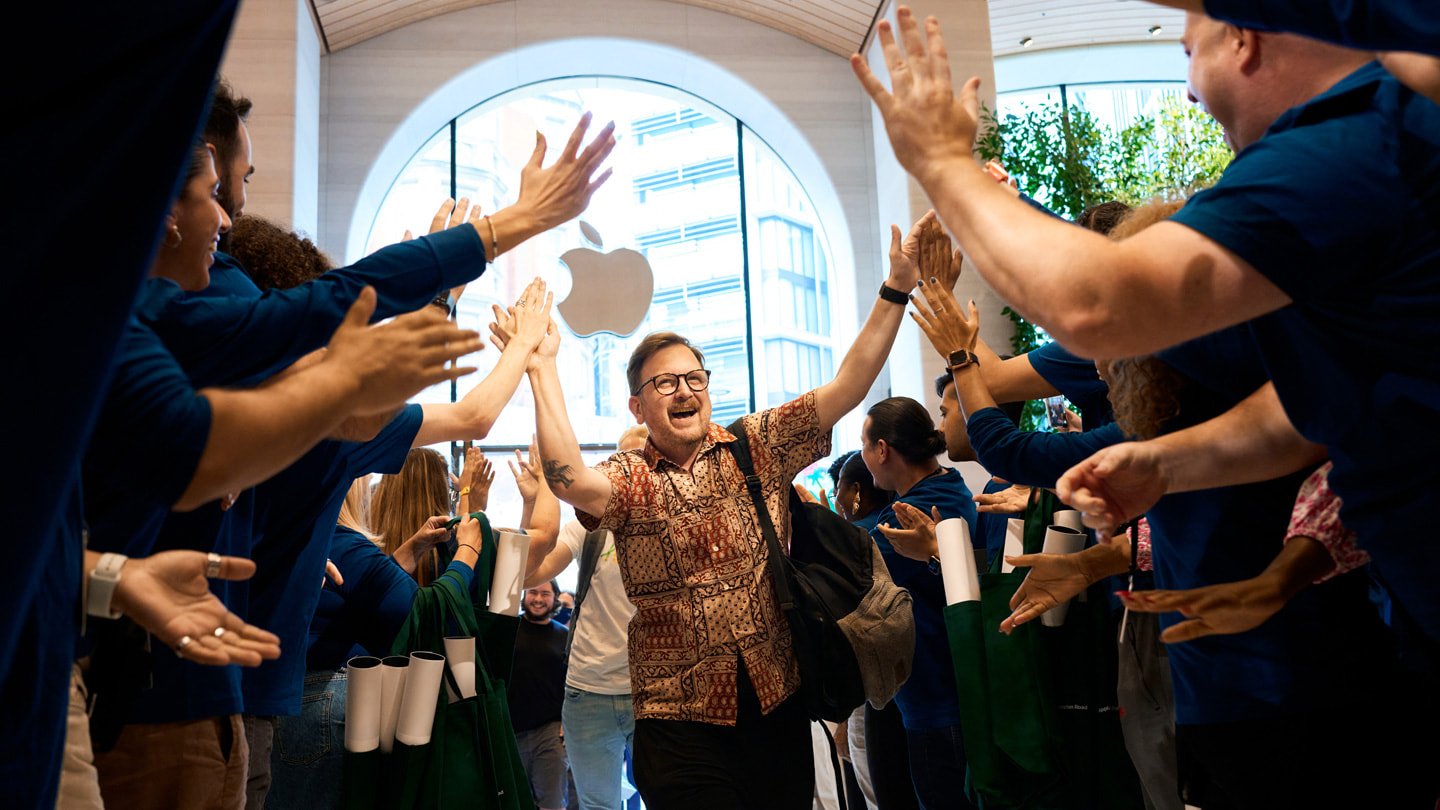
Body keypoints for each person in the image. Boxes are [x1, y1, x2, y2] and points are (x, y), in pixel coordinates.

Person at [854, 7, 1440, 653]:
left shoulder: (1354, 141)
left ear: (1244, 37)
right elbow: (1308, 409)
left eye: (1190, 51)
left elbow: (1098, 306)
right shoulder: (1374, 146)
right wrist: (1170, 461)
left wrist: (941, 160)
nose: (1188, 90)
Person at [509, 206, 928, 808]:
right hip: (677, 721)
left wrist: (897, 287)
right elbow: (568, 477)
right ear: (637, 408)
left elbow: (849, 385)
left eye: (694, 377)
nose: (685, 390)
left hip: (775, 703)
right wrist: (542, 366)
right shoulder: (632, 477)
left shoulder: (755, 446)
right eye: (665, 382)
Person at [3, 9, 239, 803]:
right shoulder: (133, 316)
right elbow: (186, 448)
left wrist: (108, 574)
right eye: (221, 191)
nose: (229, 218)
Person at [270, 452, 487, 810]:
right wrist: (466, 554)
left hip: (294, 705)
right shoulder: (344, 543)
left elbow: (358, 592)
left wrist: (410, 550)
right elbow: (426, 614)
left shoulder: (305, 538)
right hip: (328, 707)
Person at [523, 426, 647, 810]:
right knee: (597, 805)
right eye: (623, 461)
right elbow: (531, 573)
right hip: (588, 692)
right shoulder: (588, 526)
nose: (633, 470)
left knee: (668, 796)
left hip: (655, 693)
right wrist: (538, 496)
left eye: (643, 460)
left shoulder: (674, 523)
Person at [862, 398, 977, 810]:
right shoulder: (951, 485)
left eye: (863, 443)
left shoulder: (910, 514)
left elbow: (858, 568)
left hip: (938, 698)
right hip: (946, 692)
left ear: (881, 450)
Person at [511, 579, 571, 810]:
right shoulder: (507, 629)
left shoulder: (564, 637)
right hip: (510, 731)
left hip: (549, 732)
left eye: (545, 593)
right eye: (533, 592)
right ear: (524, 595)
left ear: (555, 598)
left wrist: (567, 722)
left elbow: (572, 683)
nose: (538, 598)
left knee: (552, 803)